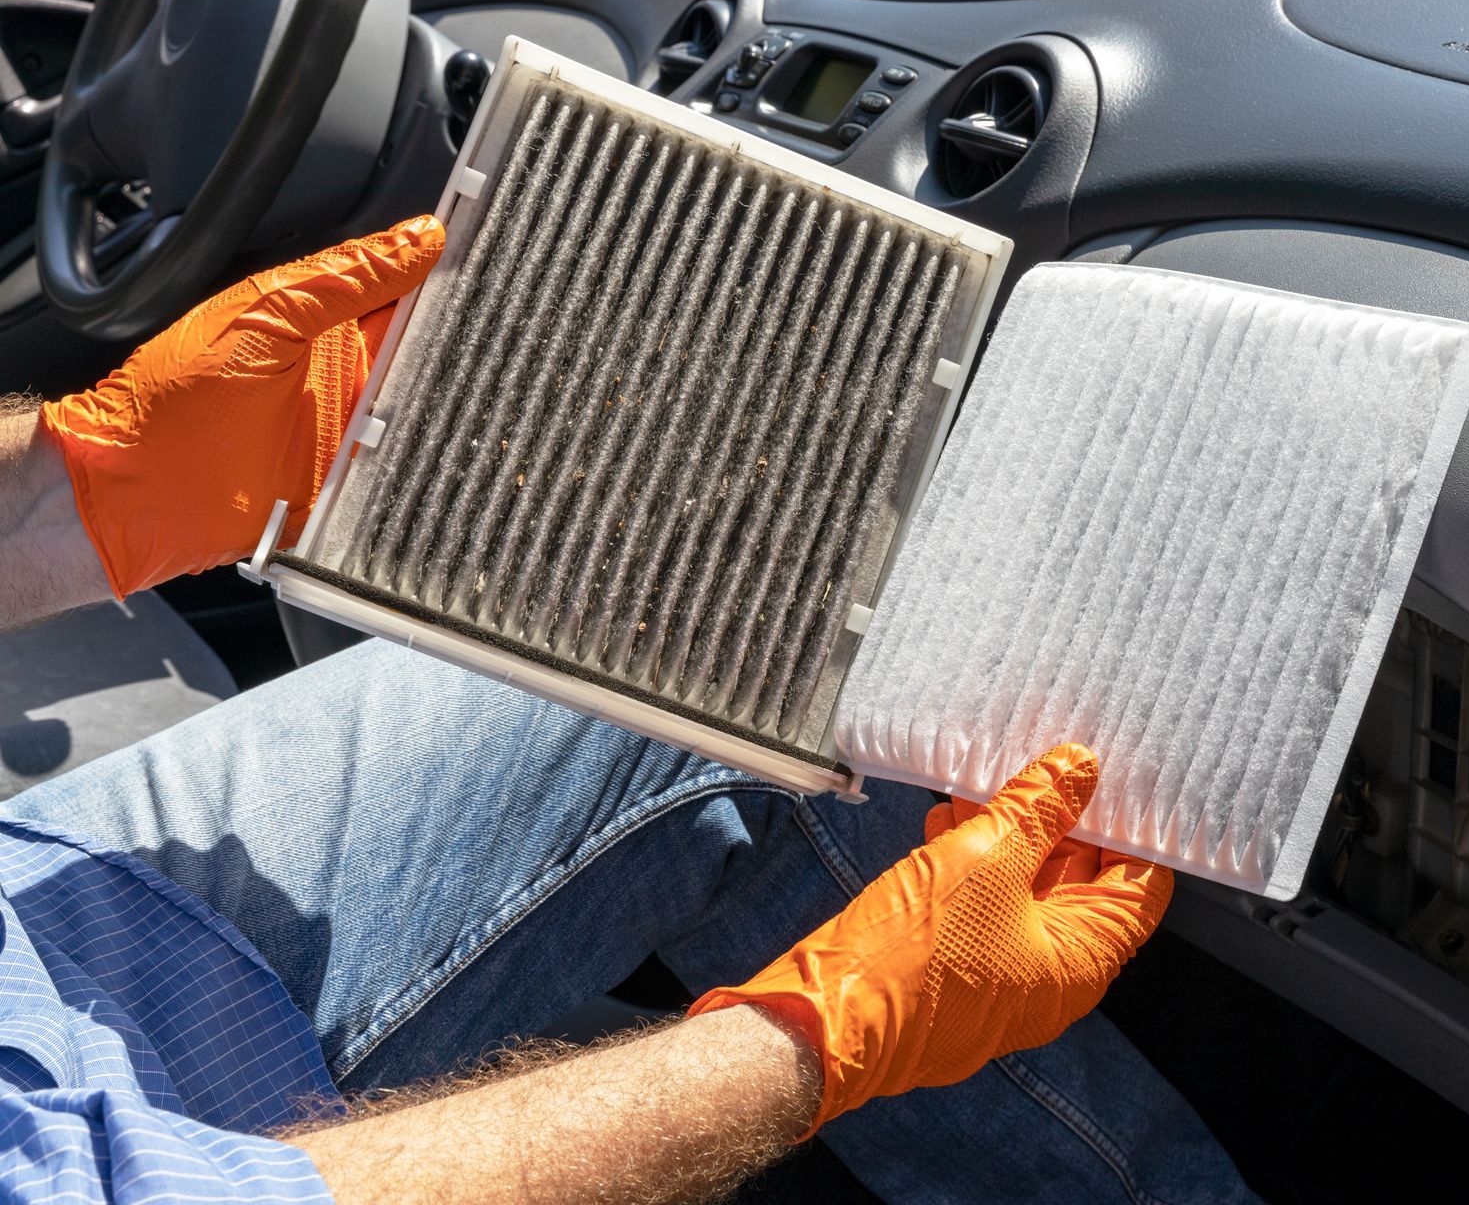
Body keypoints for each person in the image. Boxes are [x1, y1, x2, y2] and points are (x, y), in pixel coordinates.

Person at [0, 220, 1255, 1203]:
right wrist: (812, 1040)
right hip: (134, 1131)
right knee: (742, 708)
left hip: (38, 938)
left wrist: (78, 488)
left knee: (710, 680)